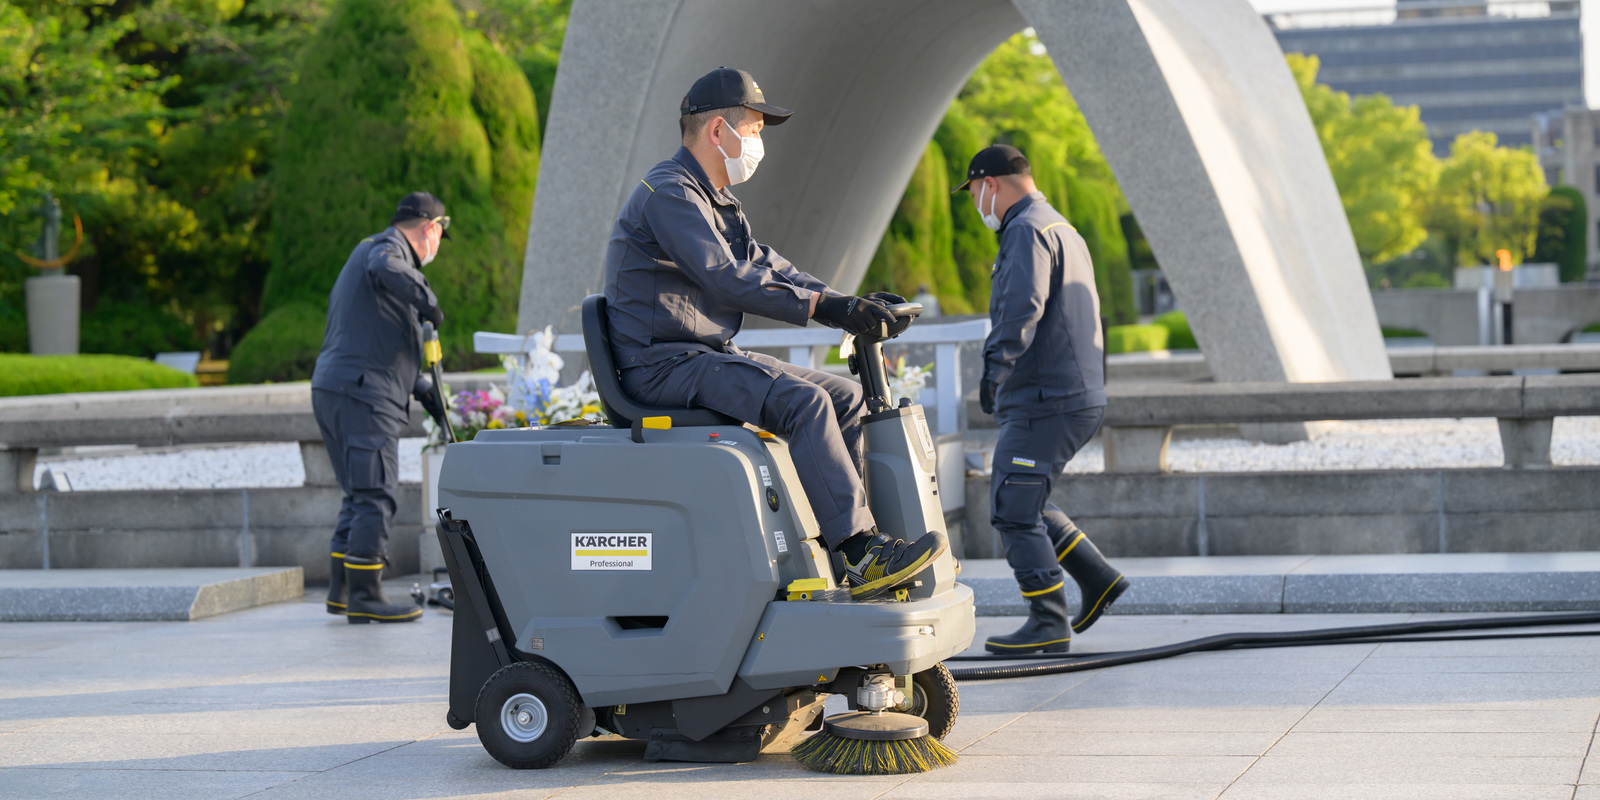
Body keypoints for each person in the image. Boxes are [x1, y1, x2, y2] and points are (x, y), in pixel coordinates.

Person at [604, 67, 946, 599]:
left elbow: (767, 263)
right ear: (719, 130)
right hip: (663, 366)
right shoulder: (669, 194)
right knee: (804, 403)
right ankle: (859, 553)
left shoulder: (712, 197)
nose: (759, 143)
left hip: (702, 355)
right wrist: (822, 306)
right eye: (756, 129)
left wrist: (845, 304)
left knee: (845, 396)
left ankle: (853, 549)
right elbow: (728, 277)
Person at [958, 145, 1130, 654]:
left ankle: (1047, 620)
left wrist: (993, 371)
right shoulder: (1061, 227)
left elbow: (1020, 307)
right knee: (1025, 496)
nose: (974, 203)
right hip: (1070, 392)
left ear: (989, 184)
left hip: (1045, 397)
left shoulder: (1025, 230)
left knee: (1012, 506)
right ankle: (1097, 577)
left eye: (971, 192)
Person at [311, 192, 453, 624]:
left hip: (341, 388)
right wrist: (427, 298)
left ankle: (341, 591)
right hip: (363, 393)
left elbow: (383, 336)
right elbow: (388, 268)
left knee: (358, 492)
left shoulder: (373, 262)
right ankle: (366, 596)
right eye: (441, 235)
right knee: (376, 493)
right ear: (430, 228)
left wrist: (424, 389)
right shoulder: (386, 252)